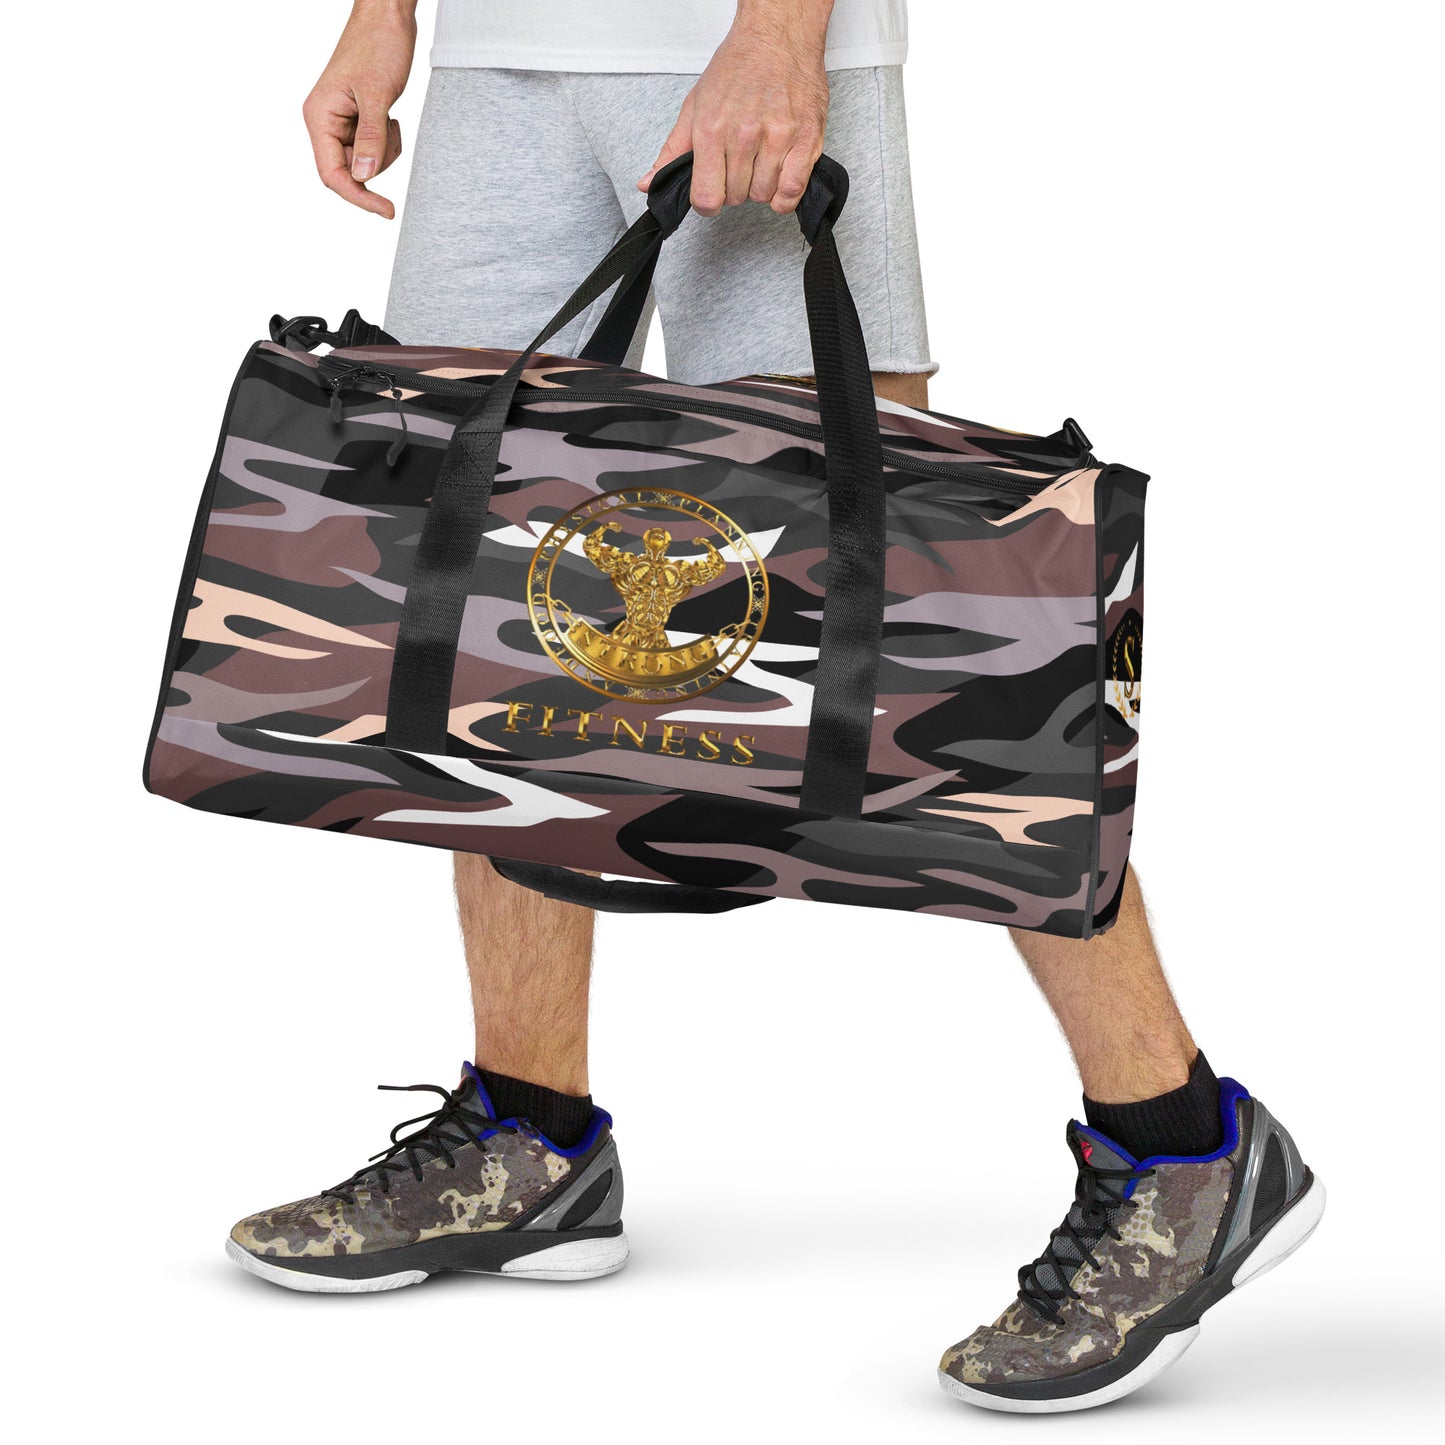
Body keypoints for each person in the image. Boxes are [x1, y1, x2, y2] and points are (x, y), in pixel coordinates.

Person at [225, 0, 1323, 1414]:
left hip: (738, 47)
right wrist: (385, 16)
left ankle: (1182, 1142)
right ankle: (528, 1136)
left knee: (931, 602)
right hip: (500, 57)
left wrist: (780, 33)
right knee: (499, 588)